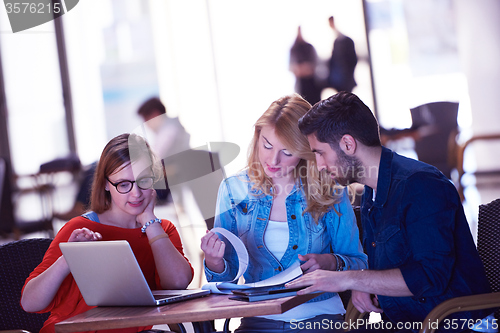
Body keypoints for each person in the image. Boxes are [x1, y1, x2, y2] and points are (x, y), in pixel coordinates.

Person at [287, 91, 491, 332]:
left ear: (348, 144)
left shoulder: (421, 186)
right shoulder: (371, 193)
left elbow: (430, 277)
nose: (319, 165)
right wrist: (366, 282)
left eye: (320, 153)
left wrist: (350, 279)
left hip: (451, 324)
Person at [201, 94, 368, 333]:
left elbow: (359, 263)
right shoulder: (233, 190)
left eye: (287, 152)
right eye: (267, 145)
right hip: (257, 321)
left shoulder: (329, 190)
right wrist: (214, 261)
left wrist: (329, 261)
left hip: (320, 318)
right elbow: (222, 285)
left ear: (305, 151)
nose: (272, 159)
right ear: (257, 137)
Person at [21, 133, 194, 333]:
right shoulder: (79, 227)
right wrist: (68, 258)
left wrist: (149, 221)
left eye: (144, 181)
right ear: (105, 184)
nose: (135, 193)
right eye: (123, 184)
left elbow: (178, 282)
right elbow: (29, 303)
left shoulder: (162, 230)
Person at [289, 26, 322, 105]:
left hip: (313, 84)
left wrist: (304, 69)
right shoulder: (294, 49)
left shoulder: (309, 47)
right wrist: (304, 69)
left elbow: (314, 66)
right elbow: (293, 68)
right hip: (301, 84)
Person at [327, 16, 358, 93]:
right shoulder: (337, 41)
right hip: (339, 79)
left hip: (346, 79)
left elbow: (353, 60)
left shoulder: (346, 41)